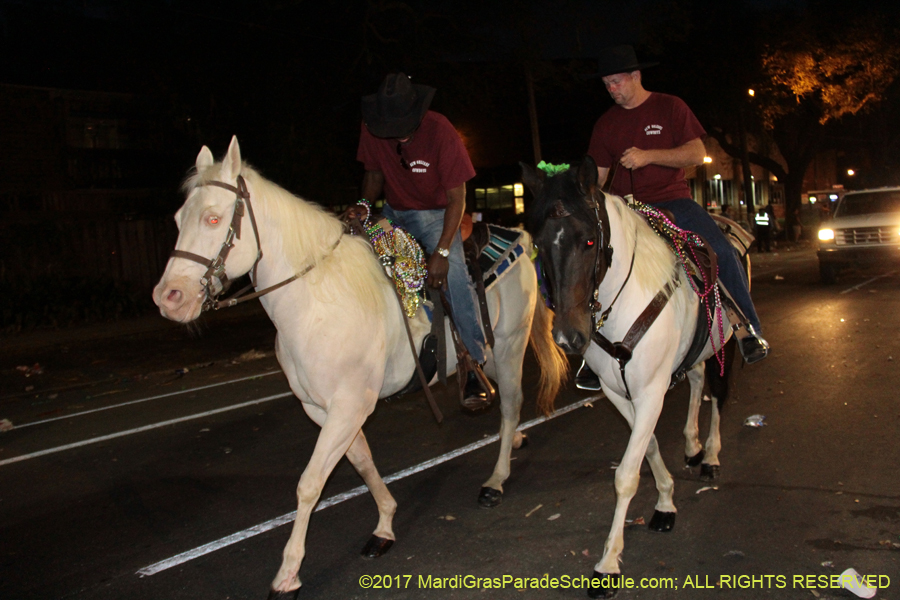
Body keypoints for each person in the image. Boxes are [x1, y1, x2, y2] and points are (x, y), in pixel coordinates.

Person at [575, 45, 768, 391]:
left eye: (617, 82)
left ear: (636, 76)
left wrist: (649, 156)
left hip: (673, 202)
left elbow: (697, 152)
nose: (612, 89)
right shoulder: (605, 124)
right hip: (626, 211)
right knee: (590, 263)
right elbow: (599, 176)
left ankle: (747, 328)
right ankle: (593, 353)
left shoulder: (670, 107)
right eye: (606, 84)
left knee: (721, 251)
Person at [355, 72, 489, 411]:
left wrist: (442, 250)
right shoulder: (373, 126)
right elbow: (373, 174)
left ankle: (473, 362)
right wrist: (363, 207)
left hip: (436, 213)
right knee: (356, 256)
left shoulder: (440, 130)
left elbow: (457, 197)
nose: (395, 131)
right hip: (394, 211)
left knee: (455, 276)